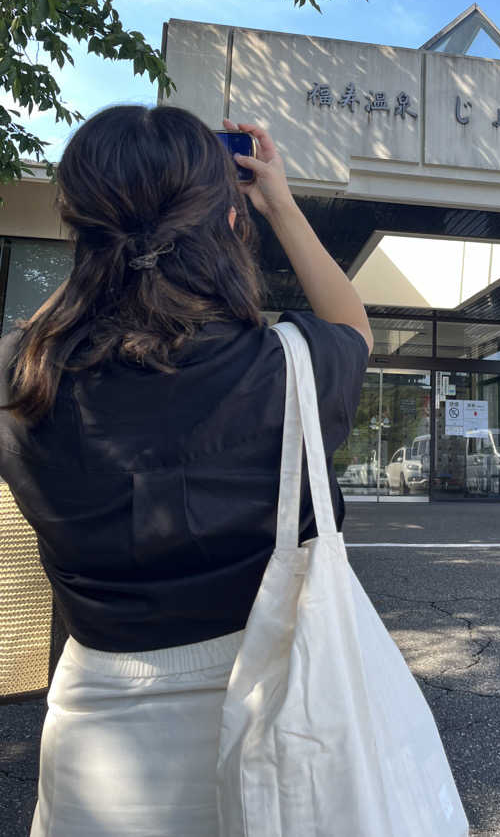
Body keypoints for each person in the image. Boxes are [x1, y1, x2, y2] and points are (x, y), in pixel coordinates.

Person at [0, 105, 373, 837]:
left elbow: (38, 331)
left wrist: (101, 254)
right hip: (279, 740)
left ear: (82, 231)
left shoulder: (22, 380)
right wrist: (283, 207)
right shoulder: (293, 369)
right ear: (231, 226)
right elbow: (354, 328)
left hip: (94, 758)